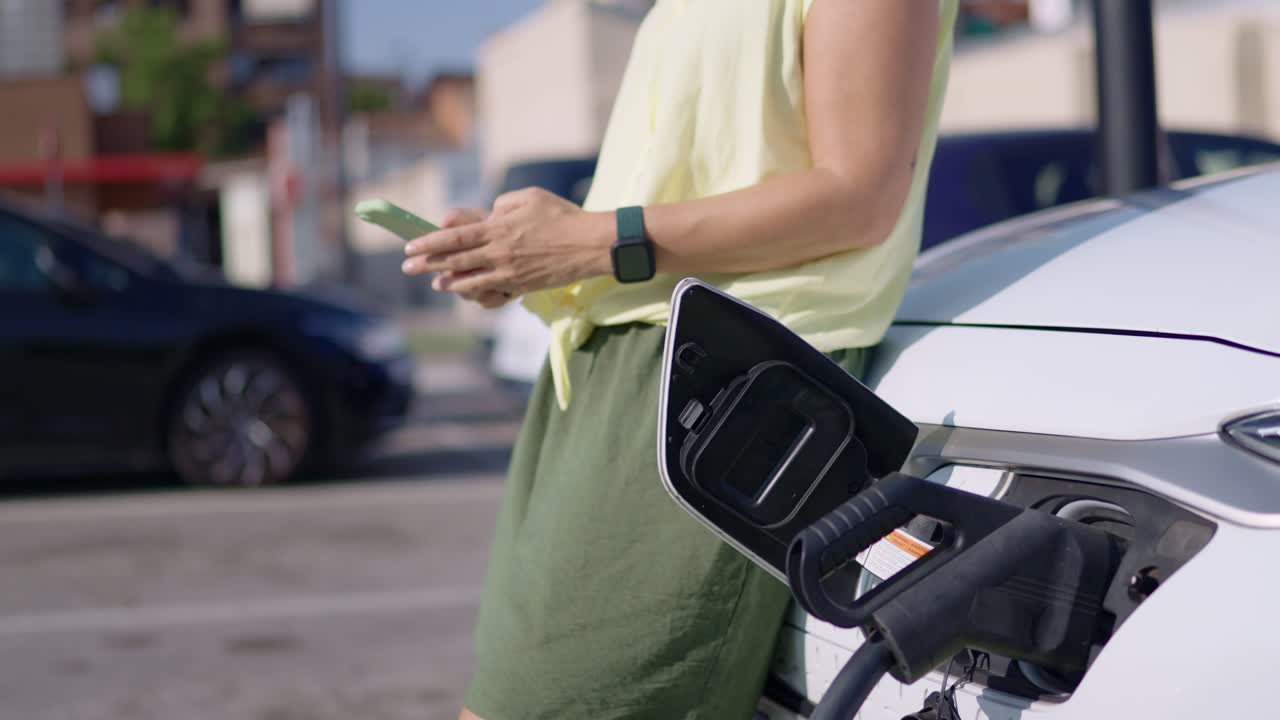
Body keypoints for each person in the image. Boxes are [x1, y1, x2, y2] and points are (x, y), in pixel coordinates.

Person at [402, 1, 958, 717]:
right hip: (604, 373)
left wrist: (590, 241)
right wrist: (526, 255)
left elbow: (857, 196)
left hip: (718, 386)